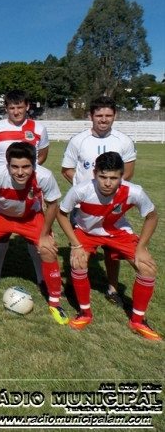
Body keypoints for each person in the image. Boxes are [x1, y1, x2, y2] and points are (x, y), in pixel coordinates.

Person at [57, 152, 159, 341]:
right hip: (86, 232)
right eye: (103, 177)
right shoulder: (81, 190)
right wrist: (76, 244)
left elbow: (152, 216)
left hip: (118, 232)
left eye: (114, 178)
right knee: (78, 263)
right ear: (95, 173)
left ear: (122, 176)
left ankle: (137, 321)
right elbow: (62, 214)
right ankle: (85, 314)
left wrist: (141, 248)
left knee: (147, 268)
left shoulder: (134, 191)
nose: (107, 183)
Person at [0, 142, 68, 325]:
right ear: (7, 165)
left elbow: (52, 205)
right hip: (0, 216)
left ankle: (55, 302)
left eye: (26, 167)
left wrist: (45, 234)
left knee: (47, 249)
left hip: (30, 217)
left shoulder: (44, 176)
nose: (20, 172)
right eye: (14, 167)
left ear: (34, 165)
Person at [61, 96, 137, 307]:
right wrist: (85, 192)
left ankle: (112, 288)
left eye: (108, 115)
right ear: (90, 116)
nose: (103, 120)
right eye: (99, 115)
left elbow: (128, 171)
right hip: (84, 207)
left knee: (112, 249)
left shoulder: (124, 141)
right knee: (76, 244)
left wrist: (109, 193)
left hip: (113, 206)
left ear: (115, 116)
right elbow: (67, 169)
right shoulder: (79, 141)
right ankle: (73, 285)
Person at [0, 89, 49, 290]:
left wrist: (26, 175)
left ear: (27, 106)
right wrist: (4, 175)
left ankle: (41, 278)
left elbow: (43, 155)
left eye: (20, 107)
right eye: (12, 107)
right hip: (2, 190)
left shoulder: (39, 128)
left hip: (29, 189)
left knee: (34, 238)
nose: (16, 111)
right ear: (6, 108)